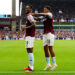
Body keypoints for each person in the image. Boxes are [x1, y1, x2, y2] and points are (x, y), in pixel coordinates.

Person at [32, 6, 57, 71]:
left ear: (48, 10)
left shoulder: (50, 14)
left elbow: (44, 14)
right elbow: (37, 19)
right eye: (44, 9)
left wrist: (35, 13)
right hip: (45, 34)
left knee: (50, 48)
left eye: (45, 9)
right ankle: (48, 64)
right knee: (45, 49)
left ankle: (54, 64)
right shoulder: (44, 17)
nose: (44, 10)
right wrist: (31, 16)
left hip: (50, 33)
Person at [21, 5, 36, 73]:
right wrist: (25, 28)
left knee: (30, 50)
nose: (26, 9)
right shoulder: (29, 16)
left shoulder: (30, 16)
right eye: (25, 8)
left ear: (30, 9)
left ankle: (31, 68)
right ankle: (30, 66)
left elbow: (34, 25)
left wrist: (25, 28)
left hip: (30, 36)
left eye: (27, 8)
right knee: (28, 50)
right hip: (28, 35)